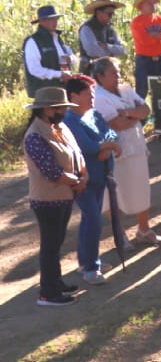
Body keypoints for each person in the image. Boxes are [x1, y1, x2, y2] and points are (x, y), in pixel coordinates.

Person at [23, 86, 87, 306]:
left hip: (63, 196)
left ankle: (56, 282)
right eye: (61, 107)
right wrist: (76, 181)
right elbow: (51, 172)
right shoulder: (34, 136)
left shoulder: (58, 127)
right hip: (47, 199)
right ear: (48, 109)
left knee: (56, 242)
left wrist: (82, 176)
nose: (65, 111)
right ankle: (48, 293)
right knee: (50, 246)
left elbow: (77, 153)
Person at [91, 58, 161, 246]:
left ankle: (144, 229)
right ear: (100, 76)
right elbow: (116, 124)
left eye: (118, 72)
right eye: (113, 73)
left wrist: (127, 113)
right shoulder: (98, 96)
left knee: (141, 188)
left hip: (137, 148)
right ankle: (119, 234)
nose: (118, 76)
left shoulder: (126, 89)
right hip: (116, 152)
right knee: (116, 194)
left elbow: (145, 110)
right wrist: (134, 116)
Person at [63, 75, 121, 286]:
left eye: (93, 93)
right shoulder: (70, 121)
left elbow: (112, 134)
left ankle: (85, 261)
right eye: (88, 94)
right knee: (94, 219)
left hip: (100, 175)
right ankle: (91, 268)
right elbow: (88, 146)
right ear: (74, 96)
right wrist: (107, 146)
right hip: (83, 179)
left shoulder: (94, 114)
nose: (92, 97)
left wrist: (108, 145)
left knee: (90, 219)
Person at [24, 5, 76, 97]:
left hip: (62, 90)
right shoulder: (33, 41)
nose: (55, 22)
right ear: (41, 21)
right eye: (50, 19)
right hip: (44, 94)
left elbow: (73, 57)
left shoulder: (57, 38)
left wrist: (71, 59)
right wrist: (59, 74)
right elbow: (35, 69)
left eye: (56, 19)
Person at [129, 0, 161, 99]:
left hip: (160, 59)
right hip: (144, 60)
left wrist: (155, 35)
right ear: (141, 7)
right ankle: (140, 115)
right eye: (149, 3)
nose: (153, 5)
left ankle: (160, 114)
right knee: (141, 91)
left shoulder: (160, 19)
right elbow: (144, 41)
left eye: (153, 2)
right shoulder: (136, 22)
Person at [77, 0, 127, 74]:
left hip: (108, 74)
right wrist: (111, 53)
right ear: (98, 13)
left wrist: (107, 46)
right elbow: (92, 51)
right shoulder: (87, 28)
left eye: (112, 14)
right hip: (90, 73)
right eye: (109, 14)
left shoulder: (110, 29)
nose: (111, 17)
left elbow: (122, 50)